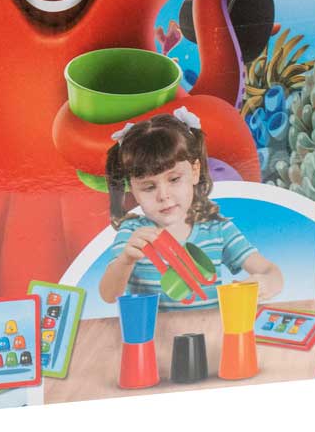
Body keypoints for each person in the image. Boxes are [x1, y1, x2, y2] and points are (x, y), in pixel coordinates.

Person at [97, 108, 282, 306]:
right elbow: (109, 295)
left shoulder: (216, 229)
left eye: (174, 179)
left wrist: (267, 282)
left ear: (195, 172)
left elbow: (270, 271)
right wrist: (126, 260)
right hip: (154, 327)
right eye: (149, 187)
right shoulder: (133, 234)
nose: (164, 195)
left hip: (211, 325)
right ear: (132, 189)